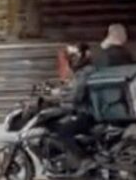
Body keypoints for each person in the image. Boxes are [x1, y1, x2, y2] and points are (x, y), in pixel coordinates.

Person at [55, 42, 97, 175]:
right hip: (92, 112)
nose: (73, 60)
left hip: (88, 113)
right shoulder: (91, 69)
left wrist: (61, 99)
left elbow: (77, 96)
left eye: (75, 56)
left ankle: (84, 159)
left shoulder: (84, 72)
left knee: (62, 131)